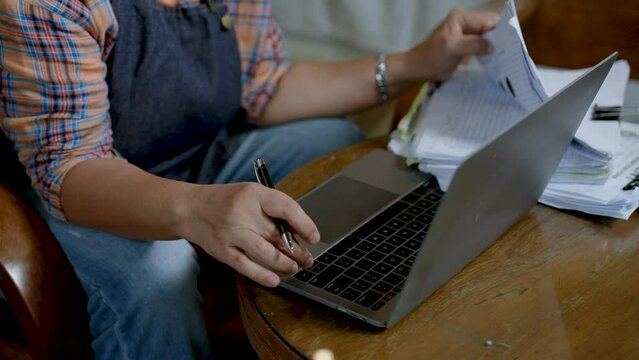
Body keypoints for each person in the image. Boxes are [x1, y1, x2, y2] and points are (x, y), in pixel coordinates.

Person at [0, 0, 498, 358]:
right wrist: (196, 210)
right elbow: (72, 166)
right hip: (75, 188)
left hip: (193, 154)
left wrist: (416, 63)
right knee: (157, 273)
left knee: (332, 140)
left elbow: (264, 85)